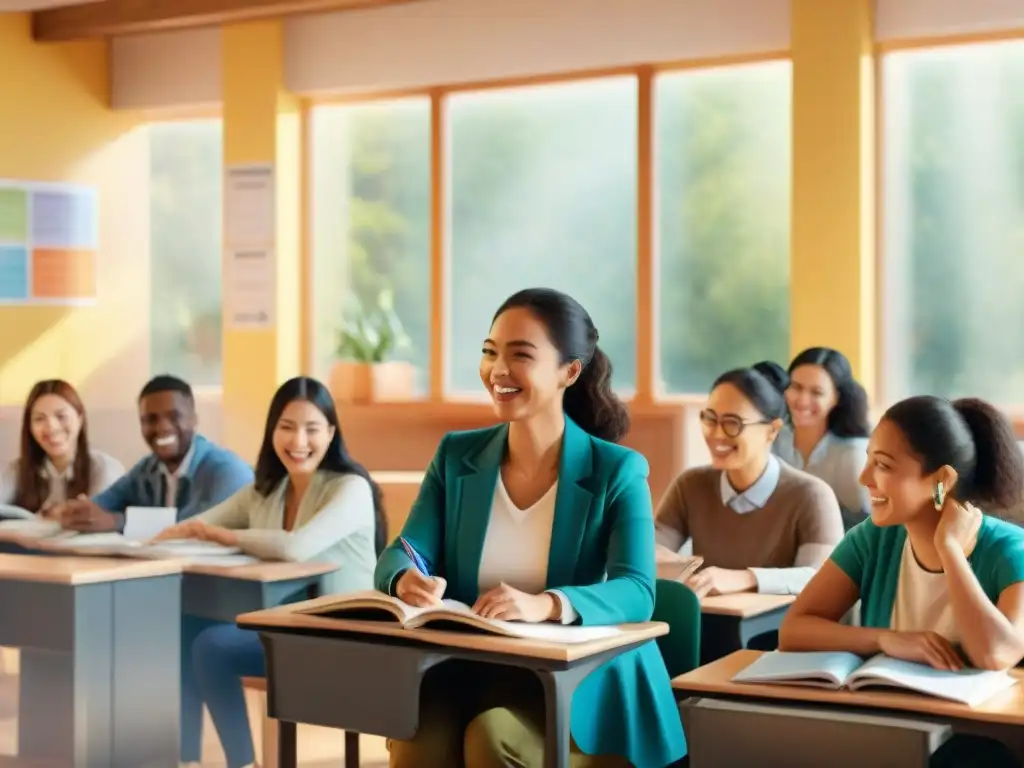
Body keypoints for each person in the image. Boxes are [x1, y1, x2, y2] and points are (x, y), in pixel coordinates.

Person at [376, 288, 686, 768]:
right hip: (473, 669)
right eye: (489, 352)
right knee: (418, 738)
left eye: (520, 355)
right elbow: (406, 549)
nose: (498, 370)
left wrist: (546, 605)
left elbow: (637, 589)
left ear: (569, 371)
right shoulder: (457, 456)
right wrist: (404, 578)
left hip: (579, 689)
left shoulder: (617, 470)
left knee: (491, 737)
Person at [155, 376, 387, 768]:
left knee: (211, 645)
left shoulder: (350, 488)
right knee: (191, 630)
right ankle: (203, 759)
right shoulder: (267, 489)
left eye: (312, 429)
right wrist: (150, 543)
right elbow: (197, 527)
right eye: (287, 427)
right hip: (292, 633)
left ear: (331, 433)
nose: (298, 442)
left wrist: (219, 535)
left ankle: (237, 763)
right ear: (272, 432)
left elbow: (295, 546)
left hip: (346, 641)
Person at [779, 395, 1024, 767]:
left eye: (883, 465)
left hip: (980, 745)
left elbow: (997, 654)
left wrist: (950, 551)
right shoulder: (872, 539)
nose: (864, 479)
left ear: (942, 480)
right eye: (868, 461)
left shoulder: (1010, 548)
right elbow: (794, 630)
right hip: (891, 729)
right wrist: (885, 640)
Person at [655, 362, 845, 600]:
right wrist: (672, 562)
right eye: (710, 419)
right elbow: (650, 549)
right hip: (709, 624)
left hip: (781, 633)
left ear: (772, 430)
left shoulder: (811, 495)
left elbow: (820, 577)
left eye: (733, 423)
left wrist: (744, 578)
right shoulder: (691, 485)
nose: (717, 434)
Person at [50, 375, 253, 533]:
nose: (163, 427)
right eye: (150, 419)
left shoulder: (227, 471)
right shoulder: (149, 468)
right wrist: (73, 512)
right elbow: (104, 503)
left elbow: (193, 527)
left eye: (174, 417)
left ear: (194, 420)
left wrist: (117, 521)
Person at [774, 347, 872, 530]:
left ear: (836, 398)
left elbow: (867, 528)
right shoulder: (772, 439)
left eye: (816, 392)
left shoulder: (852, 455)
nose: (802, 400)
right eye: (796, 387)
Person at [0, 379, 123, 512]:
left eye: (61, 416)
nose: (51, 427)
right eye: (39, 419)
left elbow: (104, 518)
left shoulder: (104, 468)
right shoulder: (18, 470)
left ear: (80, 419)